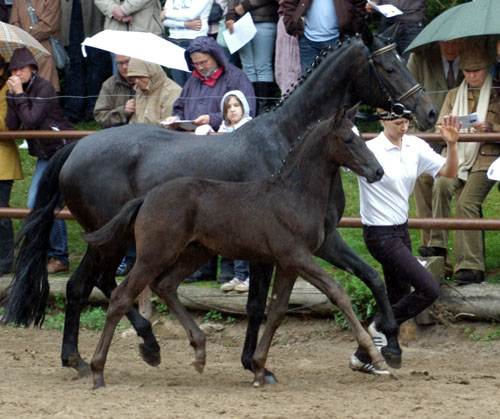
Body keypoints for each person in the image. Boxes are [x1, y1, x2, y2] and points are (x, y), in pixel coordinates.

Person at [350, 109, 459, 374]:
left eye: (406, 122)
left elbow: (449, 172)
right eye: (398, 123)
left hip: (401, 230)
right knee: (428, 288)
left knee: (398, 294)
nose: (403, 127)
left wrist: (452, 145)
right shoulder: (369, 150)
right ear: (383, 122)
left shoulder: (414, 145)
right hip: (378, 233)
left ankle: (361, 357)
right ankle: (380, 326)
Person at [418, 46, 500, 285]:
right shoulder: (454, 94)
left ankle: (472, 266)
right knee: (441, 184)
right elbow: (438, 129)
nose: (472, 75)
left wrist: (491, 130)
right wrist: (448, 132)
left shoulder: (498, 92)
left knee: (467, 203)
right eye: (467, 71)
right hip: (456, 156)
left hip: (486, 159)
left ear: (487, 69)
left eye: (477, 70)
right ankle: (437, 246)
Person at [5, 47, 74, 274]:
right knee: (37, 202)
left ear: (32, 69)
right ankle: (47, 253)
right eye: (13, 69)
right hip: (45, 154)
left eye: (21, 68)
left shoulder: (44, 87)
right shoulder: (15, 90)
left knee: (44, 201)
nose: (17, 73)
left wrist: (18, 95)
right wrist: (14, 95)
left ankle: (59, 256)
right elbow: (13, 125)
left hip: (62, 150)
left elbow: (31, 120)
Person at [407, 39, 463, 262]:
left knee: (448, 185)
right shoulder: (419, 58)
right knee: (422, 179)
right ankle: (431, 249)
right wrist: (414, 135)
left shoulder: (474, 58)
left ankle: (451, 254)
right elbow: (407, 97)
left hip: (462, 137)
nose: (450, 48)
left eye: (455, 44)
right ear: (437, 42)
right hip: (427, 134)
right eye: (445, 44)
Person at [195, 90, 252, 292]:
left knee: (246, 232)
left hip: (245, 189)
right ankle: (237, 275)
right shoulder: (222, 129)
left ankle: (248, 277)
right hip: (225, 190)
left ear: (244, 106)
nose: (233, 110)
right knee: (231, 231)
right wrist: (207, 132)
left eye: (236, 105)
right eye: (228, 107)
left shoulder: (250, 127)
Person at [164, 35, 256, 132]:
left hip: (223, 139)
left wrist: (212, 119)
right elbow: (180, 106)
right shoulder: (193, 80)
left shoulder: (236, 78)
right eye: (195, 64)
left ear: (216, 57)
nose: (199, 68)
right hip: (190, 138)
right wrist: (176, 118)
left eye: (203, 62)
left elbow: (246, 112)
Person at [61, 0, 112, 123]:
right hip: (71, 14)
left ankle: (93, 109)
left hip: (95, 17)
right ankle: (74, 110)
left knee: (96, 66)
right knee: (74, 65)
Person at [282, 0, 366, 74]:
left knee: (337, 86)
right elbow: (289, 3)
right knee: (310, 87)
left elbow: (360, 4)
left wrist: (351, 29)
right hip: (307, 42)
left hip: (339, 40)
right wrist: (292, 26)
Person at [226, 0, 279, 113]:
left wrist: (244, 6)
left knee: (263, 67)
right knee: (248, 68)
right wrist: (230, 15)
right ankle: (249, 110)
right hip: (239, 22)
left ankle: (264, 111)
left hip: (263, 19)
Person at [0, 56, 23, 277]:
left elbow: (6, 124)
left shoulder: (6, 90)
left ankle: (6, 261)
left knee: (2, 211)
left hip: (2, 162)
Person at [94, 0, 163, 72]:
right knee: (120, 77)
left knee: (148, 75)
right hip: (116, 33)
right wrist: (114, 10)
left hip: (145, 32)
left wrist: (123, 10)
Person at [9, 0, 62, 92]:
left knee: (44, 92)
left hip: (43, 52)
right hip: (22, 54)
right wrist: (23, 38)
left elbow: (48, 25)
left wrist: (26, 38)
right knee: (20, 91)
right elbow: (14, 23)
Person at [161, 0, 213, 87]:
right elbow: (164, 21)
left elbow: (190, 14)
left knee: (195, 86)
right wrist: (185, 24)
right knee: (178, 86)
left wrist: (166, 13)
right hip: (174, 42)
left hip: (195, 42)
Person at [126, 58, 181, 126]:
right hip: (138, 133)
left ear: (152, 74)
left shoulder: (172, 91)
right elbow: (133, 122)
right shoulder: (139, 90)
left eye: (140, 76)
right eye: (133, 77)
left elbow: (169, 127)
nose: (136, 81)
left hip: (160, 135)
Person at [93, 55, 136, 128]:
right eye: (120, 63)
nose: (124, 67)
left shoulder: (148, 83)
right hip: (117, 133)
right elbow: (100, 116)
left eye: (128, 62)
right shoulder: (109, 84)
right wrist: (124, 111)